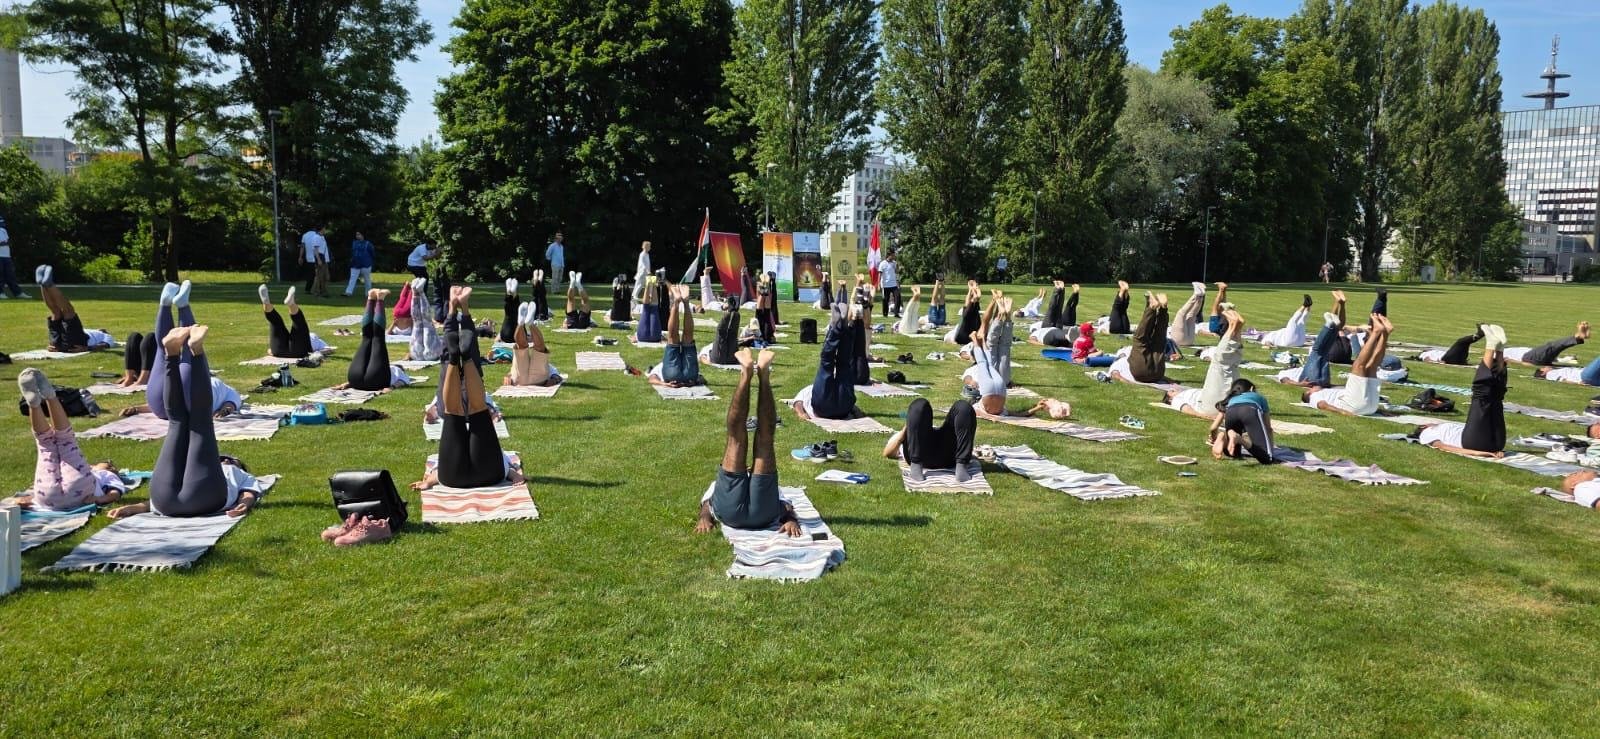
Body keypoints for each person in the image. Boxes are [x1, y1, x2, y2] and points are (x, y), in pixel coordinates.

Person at [106, 326, 265, 520]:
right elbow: (248, 494)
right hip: (179, 500)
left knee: (187, 423)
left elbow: (249, 493)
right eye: (226, 459)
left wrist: (244, 504)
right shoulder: (233, 473)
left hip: (182, 499)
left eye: (229, 459)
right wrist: (133, 508)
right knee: (184, 422)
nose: (225, 460)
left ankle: (180, 353)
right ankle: (184, 352)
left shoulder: (239, 474)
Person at [411, 287, 524, 491]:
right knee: (457, 413)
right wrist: (515, 474)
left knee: (475, 409)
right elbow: (509, 468)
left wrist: (428, 481)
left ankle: (461, 357)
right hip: (472, 474)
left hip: (471, 474)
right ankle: (458, 356)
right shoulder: (506, 460)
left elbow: (507, 465)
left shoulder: (505, 459)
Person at [695, 349, 801, 537]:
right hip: (763, 514)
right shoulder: (777, 491)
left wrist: (704, 518)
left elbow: (707, 504)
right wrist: (791, 520)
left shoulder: (716, 486)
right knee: (764, 439)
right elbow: (786, 506)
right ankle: (763, 375)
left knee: (736, 438)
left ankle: (747, 375)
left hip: (734, 513)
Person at [16, 368, 127, 510]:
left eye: (108, 463)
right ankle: (38, 402)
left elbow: (116, 493)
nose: (100, 464)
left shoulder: (106, 474)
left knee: (63, 440)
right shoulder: (98, 474)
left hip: (74, 491)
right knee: (46, 444)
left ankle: (47, 398)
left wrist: (101, 499)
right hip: (53, 498)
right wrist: (32, 499)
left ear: (112, 469)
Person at [1409, 326, 1509, 457]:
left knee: (1496, 396)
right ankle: (1491, 346)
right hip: (1474, 444)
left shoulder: (1441, 428)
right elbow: (1445, 447)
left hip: (1495, 443)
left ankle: (1499, 348)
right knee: (1480, 396)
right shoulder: (1425, 435)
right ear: (1423, 427)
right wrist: (1478, 453)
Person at [1305, 312, 1394, 416]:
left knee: (1371, 367)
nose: (1312, 387)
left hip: (1370, 407)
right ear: (1309, 393)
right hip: (1353, 406)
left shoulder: (1328, 391)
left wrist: (1379, 411)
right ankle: (1376, 332)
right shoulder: (1313, 397)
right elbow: (1322, 405)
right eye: (1310, 389)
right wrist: (1342, 412)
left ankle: (1385, 333)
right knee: (1358, 366)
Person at [1167, 307, 1246, 417]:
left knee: (1233, 363)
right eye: (1171, 391)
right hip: (1208, 405)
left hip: (1211, 400)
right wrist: (1205, 417)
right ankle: (1233, 327)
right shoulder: (1175, 400)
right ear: (1170, 397)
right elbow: (1186, 409)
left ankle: (1236, 328)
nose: (1173, 389)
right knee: (1219, 363)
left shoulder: (1186, 394)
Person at [791, 305, 861, 420]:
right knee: (831, 362)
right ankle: (839, 326)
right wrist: (858, 413)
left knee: (841, 363)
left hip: (835, 407)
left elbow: (797, 403)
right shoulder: (809, 389)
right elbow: (797, 403)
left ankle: (841, 327)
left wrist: (801, 413)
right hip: (835, 407)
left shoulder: (808, 389)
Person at [884, 398, 977, 482]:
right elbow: (887, 453)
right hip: (923, 454)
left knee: (963, 407)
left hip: (947, 453)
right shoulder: (906, 434)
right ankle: (916, 467)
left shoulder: (918, 432)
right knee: (919, 404)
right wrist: (906, 430)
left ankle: (961, 466)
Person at [1277, 291, 1348, 388]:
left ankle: (1335, 315)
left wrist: (1337, 386)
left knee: (1325, 350)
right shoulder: (1283, 372)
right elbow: (1285, 380)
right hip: (1309, 379)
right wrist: (1300, 384)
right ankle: (1328, 323)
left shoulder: (1301, 368)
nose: (1292, 365)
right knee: (1316, 350)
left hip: (1322, 381)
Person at [36, 267, 114, 352]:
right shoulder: (90, 331)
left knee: (68, 310)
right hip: (61, 345)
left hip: (76, 344)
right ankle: (43, 284)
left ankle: (48, 284)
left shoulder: (107, 336)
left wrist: (87, 348)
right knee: (56, 312)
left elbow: (104, 345)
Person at [1208, 379, 1276, 464]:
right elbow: (1268, 428)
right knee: (1267, 458)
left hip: (1230, 413)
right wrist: (1270, 452)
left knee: (1233, 453)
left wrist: (1215, 439)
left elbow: (1213, 427)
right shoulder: (1259, 397)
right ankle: (1240, 440)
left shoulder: (1230, 400)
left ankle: (1223, 438)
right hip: (1249, 410)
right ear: (1251, 389)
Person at [648, 284, 703, 387]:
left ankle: (681, 302)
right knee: (673, 337)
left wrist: (664, 384)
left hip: (683, 376)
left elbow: (652, 379)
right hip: (686, 377)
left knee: (687, 337)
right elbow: (702, 379)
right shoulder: (660, 367)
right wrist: (696, 381)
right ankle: (680, 303)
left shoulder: (659, 368)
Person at [346, 289, 395, 392]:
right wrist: (393, 386)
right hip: (357, 379)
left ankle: (376, 299)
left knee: (376, 338)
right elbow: (400, 382)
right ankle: (372, 298)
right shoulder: (400, 374)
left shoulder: (398, 371)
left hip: (368, 379)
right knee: (368, 337)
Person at [504, 301, 561, 387]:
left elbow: (510, 373)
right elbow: (557, 376)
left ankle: (521, 323)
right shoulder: (548, 367)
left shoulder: (549, 367)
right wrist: (554, 380)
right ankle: (530, 323)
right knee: (540, 349)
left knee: (522, 347)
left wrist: (507, 377)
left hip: (519, 380)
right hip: (538, 380)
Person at [1120, 292, 1170, 384]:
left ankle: (1162, 309)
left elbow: (1115, 374)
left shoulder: (1119, 361)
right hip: (1144, 373)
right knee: (1140, 339)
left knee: (1159, 340)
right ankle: (1155, 308)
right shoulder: (1121, 360)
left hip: (1157, 374)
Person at [258, 285, 319, 359]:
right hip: (280, 351)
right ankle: (268, 303)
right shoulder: (319, 341)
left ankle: (271, 303)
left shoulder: (316, 339)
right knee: (276, 322)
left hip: (298, 350)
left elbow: (327, 349)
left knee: (297, 321)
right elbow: (327, 350)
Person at [1504, 322, 1590, 366]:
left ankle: (1578, 338)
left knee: (1557, 348)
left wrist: (1565, 359)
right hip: (1528, 357)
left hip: (1533, 356)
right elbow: (1505, 360)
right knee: (1551, 346)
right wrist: (1523, 363)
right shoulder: (1495, 353)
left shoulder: (1501, 349)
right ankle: (1577, 336)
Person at [1419, 325, 1486, 366]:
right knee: (1460, 342)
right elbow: (1426, 359)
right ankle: (1479, 334)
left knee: (1465, 343)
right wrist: (1437, 362)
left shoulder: (1435, 351)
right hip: (1447, 359)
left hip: (1455, 358)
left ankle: (1480, 334)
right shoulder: (1423, 354)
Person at [1167, 281, 1207, 347]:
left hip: (1189, 340)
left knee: (1192, 315)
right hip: (1177, 340)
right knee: (1181, 313)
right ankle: (1196, 295)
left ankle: (1201, 296)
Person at [705, 299, 741, 366]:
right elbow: (702, 357)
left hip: (723, 359)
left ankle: (731, 312)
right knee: (729, 334)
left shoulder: (708, 347)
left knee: (728, 334)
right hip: (727, 359)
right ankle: (733, 312)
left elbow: (702, 357)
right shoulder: (708, 347)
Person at [0, 214, 27, 299]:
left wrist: (7, 243)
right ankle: (0, 293)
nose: (3, 224)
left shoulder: (3, 230)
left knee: (11, 276)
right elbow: (4, 243)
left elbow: (7, 242)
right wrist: (4, 243)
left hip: (6, 256)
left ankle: (18, 293)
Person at [949, 280, 983, 346]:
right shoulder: (970, 314)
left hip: (964, 337)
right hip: (964, 337)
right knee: (970, 306)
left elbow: (976, 298)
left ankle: (971, 289)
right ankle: (971, 289)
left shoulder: (969, 314)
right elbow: (977, 297)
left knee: (968, 306)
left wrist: (972, 288)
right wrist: (974, 288)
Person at [301, 225, 330, 298]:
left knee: (324, 276)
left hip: (323, 257)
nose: (325, 230)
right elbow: (316, 250)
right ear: (321, 229)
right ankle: (316, 292)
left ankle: (323, 291)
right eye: (324, 229)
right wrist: (319, 259)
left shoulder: (321, 237)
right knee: (319, 276)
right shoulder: (316, 237)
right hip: (320, 257)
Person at [1533, 355, 1600, 387]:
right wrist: (1578, 383)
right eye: (1543, 368)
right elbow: (1563, 381)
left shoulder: (1556, 370)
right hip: (1585, 376)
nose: (1546, 367)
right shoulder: (1550, 374)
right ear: (1542, 373)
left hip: (1591, 380)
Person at [343, 231, 375, 297]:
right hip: (355, 263)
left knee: (367, 279)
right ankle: (348, 292)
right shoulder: (354, 243)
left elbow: (372, 253)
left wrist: (370, 262)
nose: (357, 236)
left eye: (359, 234)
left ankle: (368, 293)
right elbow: (352, 252)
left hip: (366, 264)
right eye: (356, 234)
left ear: (363, 235)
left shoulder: (368, 244)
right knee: (352, 278)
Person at [635, 275, 662, 343]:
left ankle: (651, 284)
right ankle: (650, 284)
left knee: (651, 308)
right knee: (648, 309)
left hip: (643, 336)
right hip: (655, 337)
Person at [879, 251, 901, 317]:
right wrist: (878, 284)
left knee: (898, 297)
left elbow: (896, 272)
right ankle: (885, 314)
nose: (894, 257)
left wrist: (897, 267)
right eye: (893, 255)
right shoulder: (882, 263)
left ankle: (896, 313)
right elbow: (879, 274)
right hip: (885, 285)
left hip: (894, 284)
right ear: (889, 255)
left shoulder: (894, 263)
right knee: (885, 300)